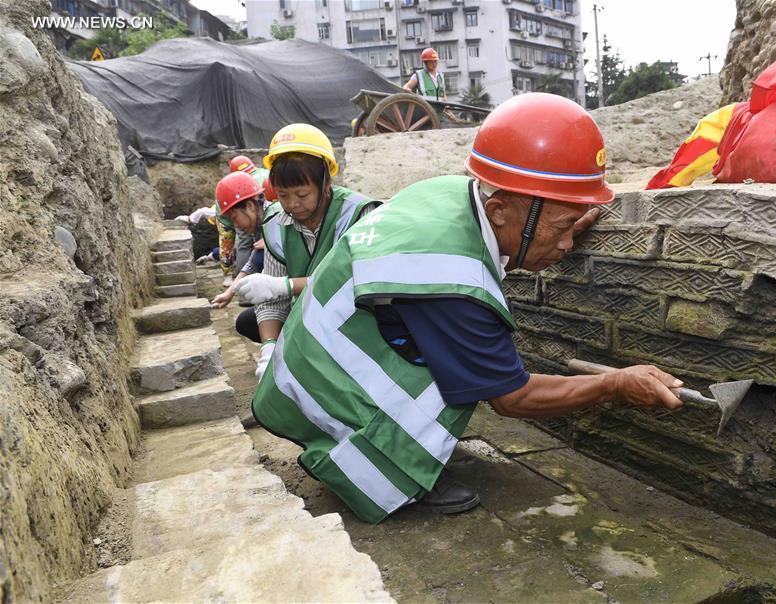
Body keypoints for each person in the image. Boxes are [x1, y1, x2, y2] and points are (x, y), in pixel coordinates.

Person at [251, 93, 685, 525]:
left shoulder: (450, 194)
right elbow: (513, 396)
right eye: (562, 228)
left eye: (572, 226)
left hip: (302, 365)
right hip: (315, 392)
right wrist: (615, 385)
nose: (568, 244)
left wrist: (559, 223)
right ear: (499, 210)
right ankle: (381, 468)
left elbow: (491, 245)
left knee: (457, 360)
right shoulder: (451, 280)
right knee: (465, 378)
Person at [233, 124, 379, 380]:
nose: (292, 204)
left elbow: (359, 281)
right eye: (283, 195)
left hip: (355, 316)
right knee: (248, 320)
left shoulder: (358, 214)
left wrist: (286, 286)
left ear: (326, 183)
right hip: (308, 315)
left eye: (302, 194)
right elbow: (272, 298)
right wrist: (268, 348)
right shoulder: (275, 222)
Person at [209, 171, 267, 342]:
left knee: (248, 321)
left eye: (235, 218)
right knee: (244, 321)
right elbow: (253, 263)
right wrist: (229, 292)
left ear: (250, 206)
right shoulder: (259, 228)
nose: (236, 226)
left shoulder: (276, 223)